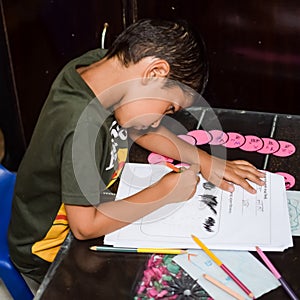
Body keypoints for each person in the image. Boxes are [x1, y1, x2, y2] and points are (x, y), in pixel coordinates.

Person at [8, 18, 265, 285]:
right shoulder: (81, 126)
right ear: (154, 73)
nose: (158, 122)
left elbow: (139, 129)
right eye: (169, 109)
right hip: (49, 257)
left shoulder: (101, 69)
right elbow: (84, 227)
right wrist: (164, 193)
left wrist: (206, 161)